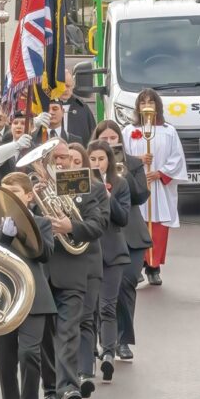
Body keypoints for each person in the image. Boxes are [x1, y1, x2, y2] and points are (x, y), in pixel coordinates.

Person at [36, 139, 108, 399]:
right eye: (53, 157)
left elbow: (98, 224)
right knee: (44, 336)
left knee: (67, 331)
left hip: (74, 270)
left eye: (63, 157)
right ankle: (51, 389)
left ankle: (68, 388)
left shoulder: (90, 187)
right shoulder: (38, 189)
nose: (59, 162)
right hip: (43, 269)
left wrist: (70, 226)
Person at [0, 172, 55, 399]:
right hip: (3, 299)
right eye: (5, 193)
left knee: (29, 355)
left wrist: (21, 231)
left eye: (15, 193)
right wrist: (3, 237)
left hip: (33, 297)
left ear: (29, 196)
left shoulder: (42, 222)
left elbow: (45, 254)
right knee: (6, 364)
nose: (11, 198)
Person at [94, 119, 151, 361]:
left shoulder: (134, 164)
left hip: (130, 234)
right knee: (102, 292)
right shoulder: (90, 166)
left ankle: (123, 339)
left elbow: (141, 196)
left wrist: (124, 173)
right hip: (102, 236)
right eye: (104, 138)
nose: (109, 142)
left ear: (120, 139)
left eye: (113, 138)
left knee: (126, 284)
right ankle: (105, 339)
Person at [122, 89, 186, 286]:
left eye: (151, 101)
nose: (147, 105)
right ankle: (138, 264)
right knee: (137, 223)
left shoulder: (168, 131)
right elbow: (121, 157)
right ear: (137, 107)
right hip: (137, 184)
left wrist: (160, 173)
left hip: (158, 185)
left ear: (157, 106)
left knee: (157, 226)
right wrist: (138, 161)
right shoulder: (128, 132)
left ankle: (154, 267)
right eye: (143, 102)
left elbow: (177, 157)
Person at [87, 140, 131, 381]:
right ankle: (90, 350)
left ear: (108, 161)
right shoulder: (83, 183)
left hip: (113, 253)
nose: (96, 164)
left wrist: (108, 195)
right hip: (90, 252)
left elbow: (123, 218)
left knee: (107, 306)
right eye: (92, 159)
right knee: (90, 307)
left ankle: (108, 353)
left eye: (101, 159)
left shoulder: (120, 183)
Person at [59, 70, 98, 144]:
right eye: (61, 86)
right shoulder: (48, 106)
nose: (65, 89)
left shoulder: (82, 107)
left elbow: (93, 135)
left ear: (72, 86)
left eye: (68, 86)